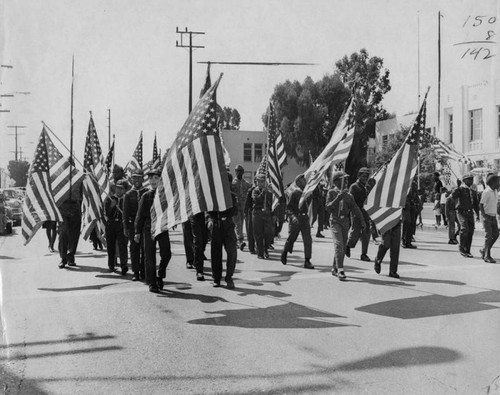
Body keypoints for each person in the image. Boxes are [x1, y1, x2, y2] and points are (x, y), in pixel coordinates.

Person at [135, 168, 170, 293]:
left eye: (156, 178)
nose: (153, 180)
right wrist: (137, 232)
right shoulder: (146, 196)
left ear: (161, 179)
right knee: (149, 256)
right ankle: (152, 282)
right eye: (150, 178)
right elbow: (139, 216)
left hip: (162, 227)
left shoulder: (166, 194)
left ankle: (160, 275)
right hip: (148, 228)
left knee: (166, 253)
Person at [325, 171, 364, 280]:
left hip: (345, 221)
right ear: (336, 181)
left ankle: (335, 267)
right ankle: (341, 270)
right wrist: (337, 198)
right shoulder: (331, 193)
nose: (346, 182)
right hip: (335, 220)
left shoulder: (349, 195)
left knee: (341, 245)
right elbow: (328, 208)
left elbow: (355, 208)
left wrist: (362, 221)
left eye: (347, 179)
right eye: (343, 180)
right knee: (339, 245)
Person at [207, 172, 238, 289]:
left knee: (232, 251)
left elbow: (235, 211)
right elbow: (209, 210)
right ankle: (216, 278)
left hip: (228, 226)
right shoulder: (213, 196)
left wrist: (226, 203)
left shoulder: (231, 196)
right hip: (216, 225)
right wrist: (209, 219)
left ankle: (229, 277)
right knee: (216, 253)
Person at [280, 174, 314, 269]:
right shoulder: (294, 193)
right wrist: (293, 217)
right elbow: (289, 208)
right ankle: (285, 251)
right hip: (296, 219)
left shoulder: (307, 193)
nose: (305, 181)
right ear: (298, 182)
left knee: (308, 240)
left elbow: (308, 205)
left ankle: (307, 260)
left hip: (305, 219)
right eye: (303, 180)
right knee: (291, 238)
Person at [123, 169, 147, 281]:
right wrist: (126, 227)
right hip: (133, 224)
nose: (136, 180)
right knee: (134, 248)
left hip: (145, 224)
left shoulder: (146, 192)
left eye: (138, 177)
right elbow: (125, 213)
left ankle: (144, 270)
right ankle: (136, 272)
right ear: (131, 179)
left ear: (142, 178)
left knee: (145, 248)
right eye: (134, 177)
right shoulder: (128, 194)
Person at [346, 167, 372, 261]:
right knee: (355, 232)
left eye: (366, 176)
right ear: (359, 176)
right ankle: (348, 246)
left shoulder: (367, 187)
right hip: (356, 212)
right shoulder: (354, 186)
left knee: (366, 233)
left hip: (365, 212)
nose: (365, 178)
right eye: (363, 176)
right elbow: (350, 200)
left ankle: (364, 253)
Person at [451, 173, 480, 258]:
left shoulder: (473, 191)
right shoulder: (460, 189)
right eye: (469, 179)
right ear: (464, 180)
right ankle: (462, 248)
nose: (471, 181)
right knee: (464, 228)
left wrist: (478, 214)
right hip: (461, 212)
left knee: (470, 231)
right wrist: (457, 186)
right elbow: (453, 196)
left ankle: (467, 250)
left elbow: (475, 204)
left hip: (470, 213)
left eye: (472, 179)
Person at [104, 179, 128, 274]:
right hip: (111, 224)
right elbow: (107, 213)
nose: (119, 191)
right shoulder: (109, 199)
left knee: (123, 245)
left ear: (125, 190)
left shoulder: (126, 199)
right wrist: (111, 206)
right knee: (111, 246)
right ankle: (111, 265)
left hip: (121, 224)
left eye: (121, 189)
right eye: (118, 188)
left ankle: (124, 265)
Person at [58, 180, 84, 268]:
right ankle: (63, 258)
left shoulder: (79, 178)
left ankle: (71, 256)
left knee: (74, 234)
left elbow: (82, 194)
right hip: (63, 206)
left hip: (75, 206)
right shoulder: (61, 176)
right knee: (63, 232)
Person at [252, 174, 274, 259]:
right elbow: (257, 200)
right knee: (258, 234)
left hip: (267, 214)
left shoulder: (269, 191)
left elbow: (272, 203)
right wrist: (263, 192)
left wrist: (274, 214)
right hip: (257, 213)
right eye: (259, 181)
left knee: (269, 233)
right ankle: (260, 253)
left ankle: (265, 249)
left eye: (262, 181)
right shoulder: (255, 191)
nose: (260, 183)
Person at [479, 174, 499, 263]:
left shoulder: (494, 191)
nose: (499, 183)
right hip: (487, 216)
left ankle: (484, 249)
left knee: (496, 235)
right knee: (489, 236)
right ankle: (487, 256)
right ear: (493, 183)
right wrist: (484, 216)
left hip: (493, 217)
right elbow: (481, 204)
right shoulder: (486, 192)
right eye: (498, 181)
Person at [232, 164, 251, 251]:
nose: (238, 173)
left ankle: (236, 241)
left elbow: (251, 190)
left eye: (240, 171)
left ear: (243, 172)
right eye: (237, 171)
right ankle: (240, 241)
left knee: (240, 224)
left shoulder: (246, 183)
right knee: (238, 224)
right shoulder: (232, 183)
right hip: (234, 206)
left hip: (243, 207)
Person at [401, 180, 418, 249]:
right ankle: (403, 240)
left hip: (412, 206)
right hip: (405, 206)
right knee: (407, 221)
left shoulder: (414, 183)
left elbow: (416, 196)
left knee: (412, 223)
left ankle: (408, 241)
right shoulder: (405, 184)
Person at [243, 179, 257, 254]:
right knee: (250, 231)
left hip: (258, 213)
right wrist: (245, 212)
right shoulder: (251, 190)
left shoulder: (264, 190)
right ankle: (251, 248)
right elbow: (247, 202)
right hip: (251, 212)